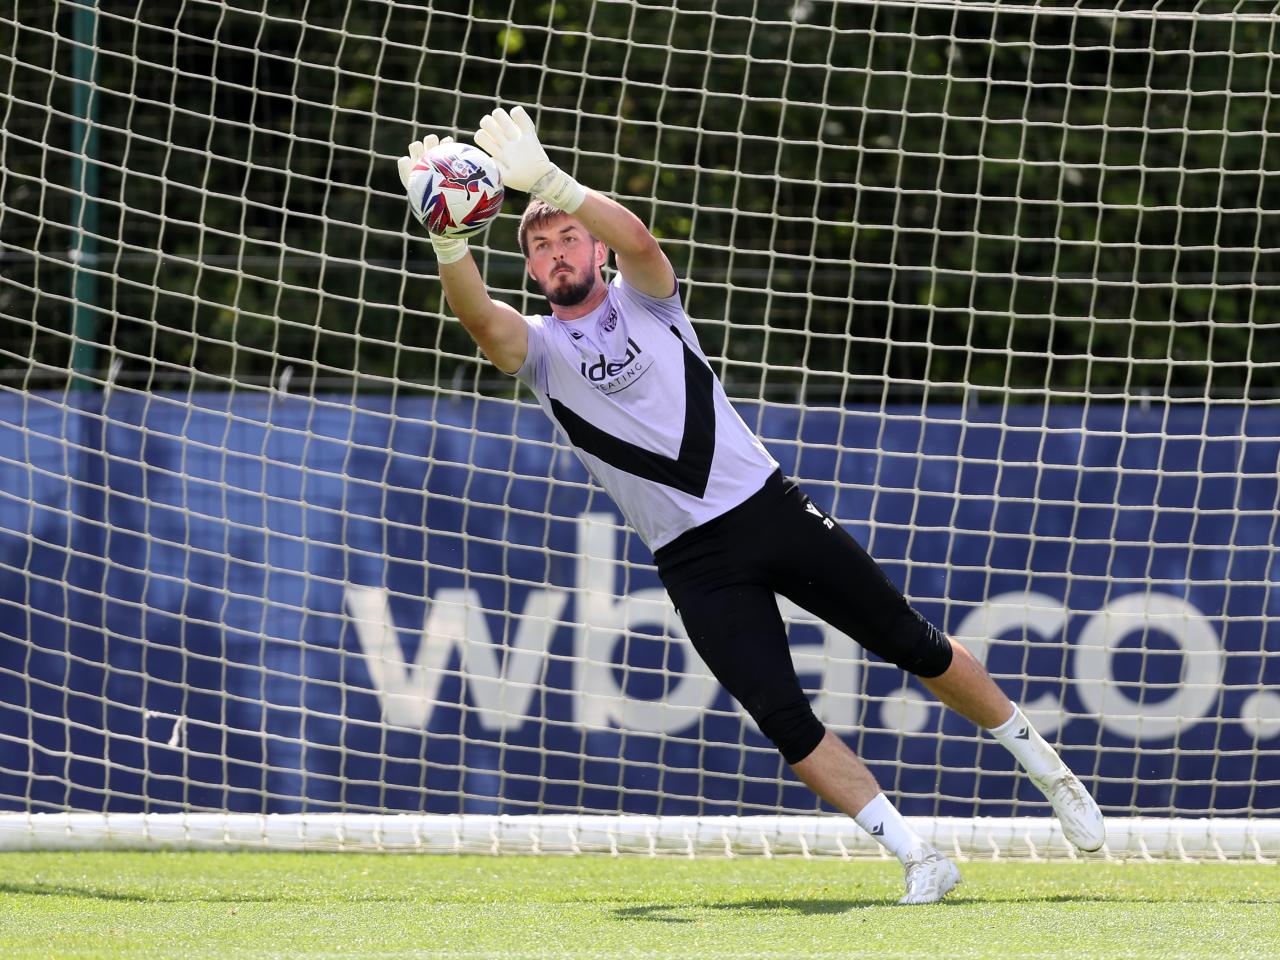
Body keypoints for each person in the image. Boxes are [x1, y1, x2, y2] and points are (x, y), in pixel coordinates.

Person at [397, 106, 1105, 904]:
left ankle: (1050, 772)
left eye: (567, 238)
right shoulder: (541, 351)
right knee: (783, 717)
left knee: (910, 641)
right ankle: (920, 860)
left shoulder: (648, 299)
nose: (557, 253)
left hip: (768, 508)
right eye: (539, 246)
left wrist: (556, 184)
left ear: (592, 251)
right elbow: (478, 321)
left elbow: (643, 244)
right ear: (528, 270)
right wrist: (446, 234)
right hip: (693, 562)